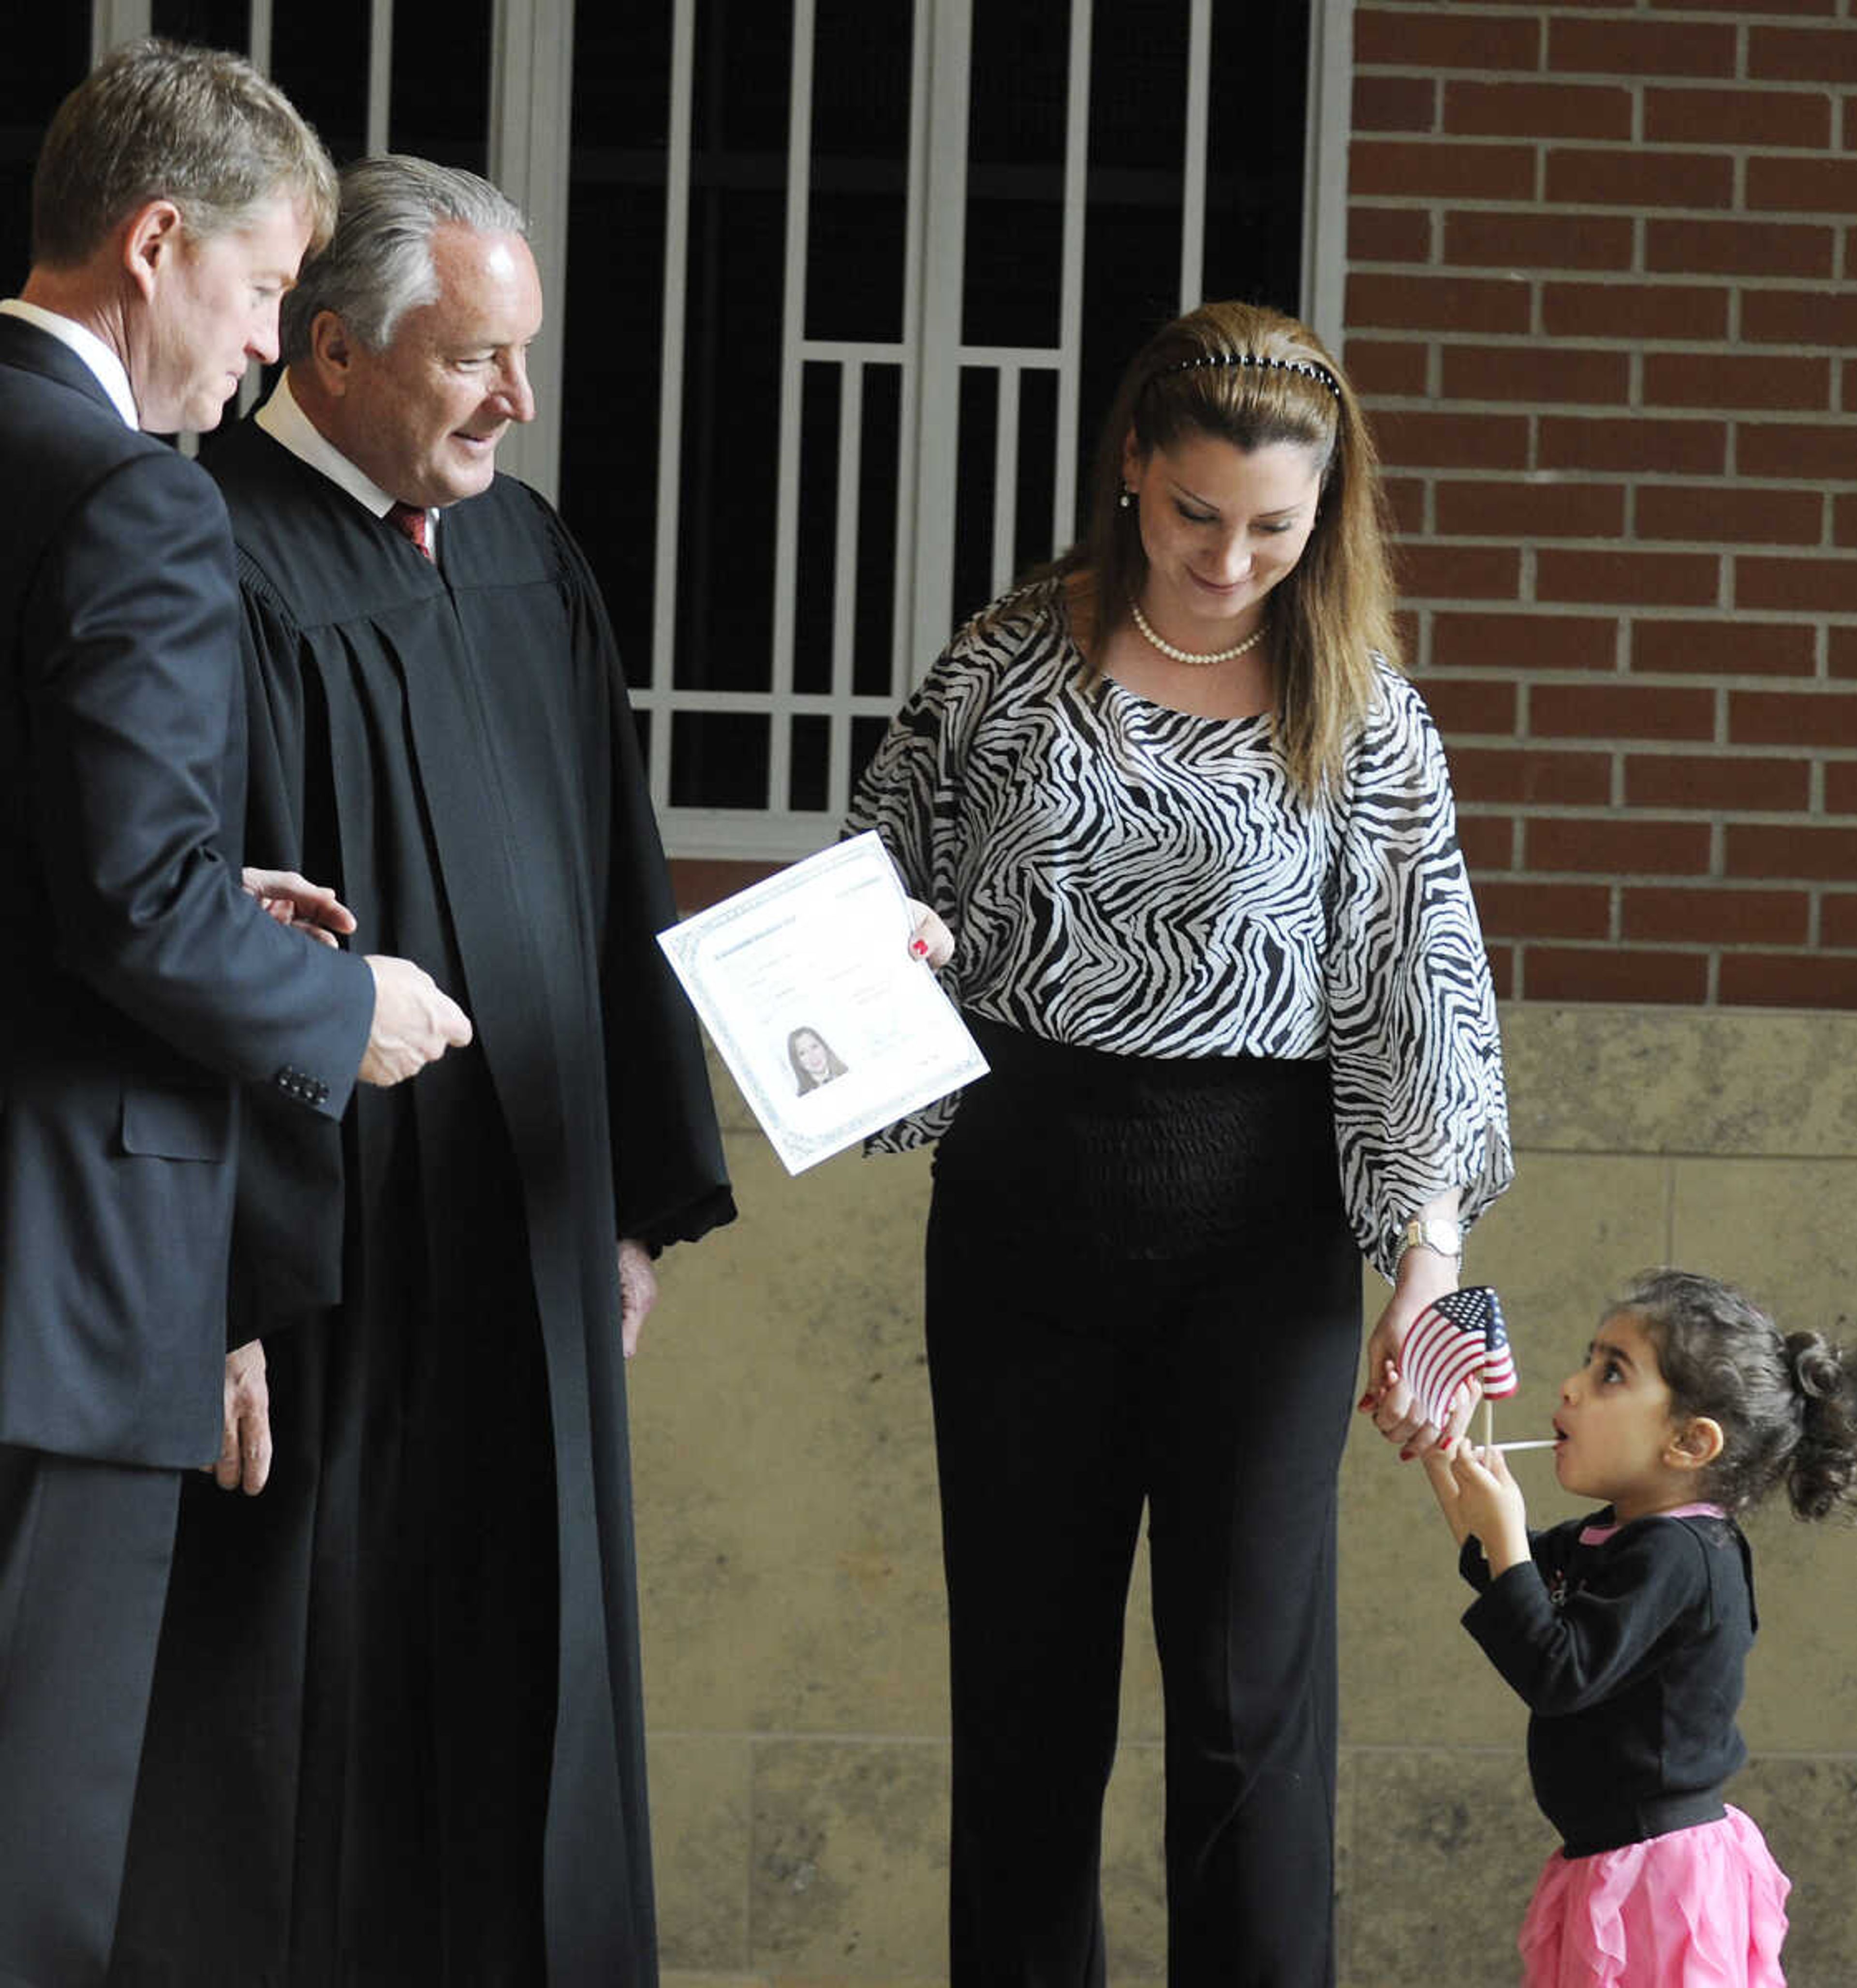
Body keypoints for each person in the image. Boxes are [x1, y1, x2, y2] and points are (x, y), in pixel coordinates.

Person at [105, 156, 735, 1987]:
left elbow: (619, 880)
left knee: (537, 1667)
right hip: (325, 1257)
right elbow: (158, 935)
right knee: (310, 1709)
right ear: (333, 351)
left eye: (521, 357)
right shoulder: (200, 554)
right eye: (473, 360)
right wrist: (210, 1282)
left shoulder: (528, 558)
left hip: (524, 1246)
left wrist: (634, 1203)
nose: (515, 403)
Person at [842, 298, 1512, 1984]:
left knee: (1247, 1710)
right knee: (1023, 1698)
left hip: (1259, 1231)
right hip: (1021, 1209)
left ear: (1325, 514)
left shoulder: (1360, 707)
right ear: (1132, 467)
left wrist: (1426, 1273)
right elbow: (872, 879)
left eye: (1274, 529)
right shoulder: (1004, 662)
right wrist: (898, 952)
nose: (1229, 561)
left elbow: (1413, 987)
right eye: (1196, 512)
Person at [0, 42, 474, 1988]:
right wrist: (331, 996)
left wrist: (192, 895)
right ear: (158, 242)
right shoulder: (135, 499)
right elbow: (129, 907)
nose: (273, 349)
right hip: (59, 1282)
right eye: (270, 291)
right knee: (25, 1846)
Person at [1423, 1270, 1857, 1986]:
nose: (1569, 1385)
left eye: (1611, 1373)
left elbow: (1559, 1672)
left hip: (1661, 1875)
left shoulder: (1682, 1553)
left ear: (1690, 1441)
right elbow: (1507, 1574)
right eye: (1589, 1361)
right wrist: (1448, 1457)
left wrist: (1504, 1538)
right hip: (1614, 1857)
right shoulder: (1615, 1533)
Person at [788, 1023, 848, 1093]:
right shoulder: (801, 1099)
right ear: (798, 1062)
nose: (812, 1056)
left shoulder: (849, 1075)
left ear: (824, 1047)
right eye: (803, 1053)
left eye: (814, 1047)